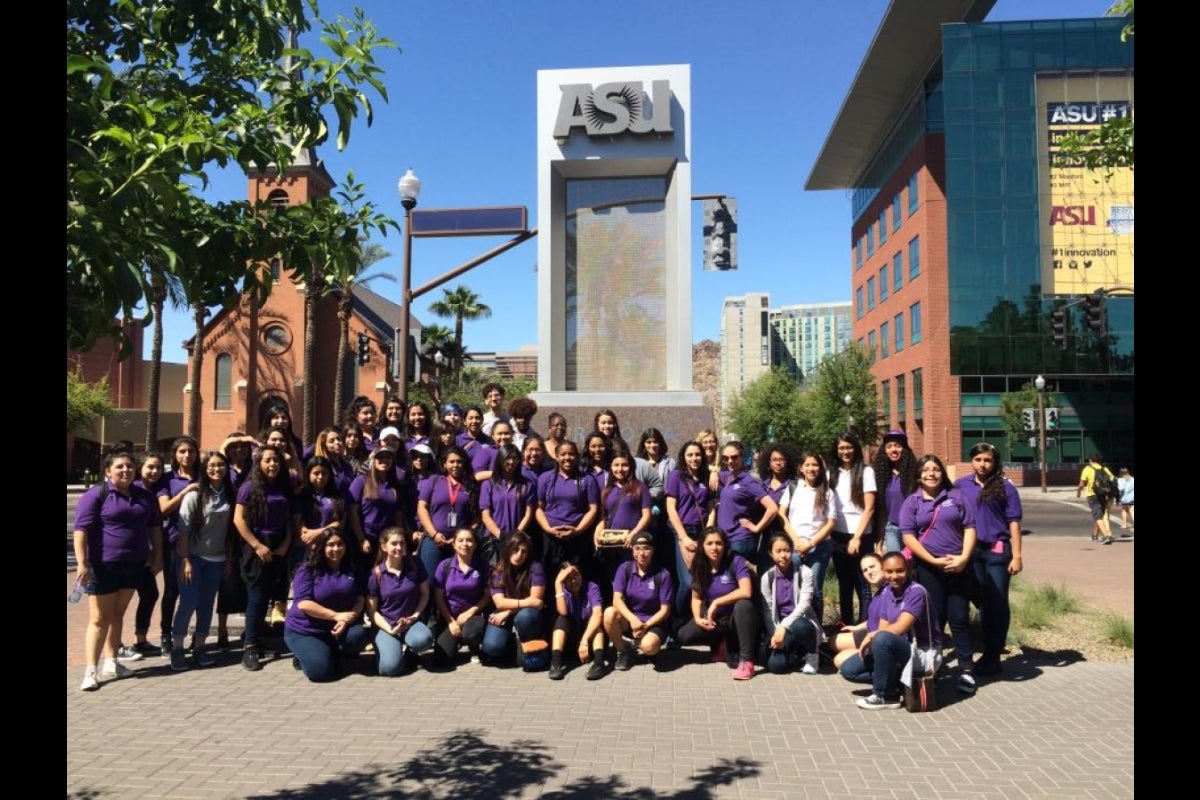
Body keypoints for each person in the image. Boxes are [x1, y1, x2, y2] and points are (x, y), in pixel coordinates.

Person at [74, 451, 164, 690]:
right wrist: (82, 563)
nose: (126, 470)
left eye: (130, 467)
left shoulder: (144, 495)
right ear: (107, 471)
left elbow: (155, 526)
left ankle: (111, 662)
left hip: (133, 564)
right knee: (98, 619)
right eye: (120, 467)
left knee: (117, 615)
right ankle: (90, 670)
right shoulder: (96, 495)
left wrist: (157, 554)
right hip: (103, 565)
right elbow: (81, 531)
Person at [901, 454, 978, 695]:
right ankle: (933, 668)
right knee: (933, 621)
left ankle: (966, 670)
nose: (931, 474)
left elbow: (970, 528)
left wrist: (964, 558)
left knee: (959, 618)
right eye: (926, 470)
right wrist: (932, 560)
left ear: (942, 473)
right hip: (928, 568)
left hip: (958, 566)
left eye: (935, 469)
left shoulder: (956, 497)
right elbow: (908, 536)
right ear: (918, 475)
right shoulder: (912, 502)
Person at [954, 443, 1023, 678]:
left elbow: (1014, 521)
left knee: (998, 602)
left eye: (987, 460)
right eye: (978, 459)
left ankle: (993, 656)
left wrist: (1017, 555)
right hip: (971, 552)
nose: (982, 464)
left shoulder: (1005, 487)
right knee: (982, 601)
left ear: (995, 463)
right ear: (971, 461)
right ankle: (988, 649)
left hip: (997, 552)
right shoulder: (961, 486)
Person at [841, 551, 940, 710]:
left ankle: (885, 695)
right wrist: (874, 639)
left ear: (907, 569)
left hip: (922, 653)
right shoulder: (888, 592)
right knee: (849, 670)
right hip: (899, 648)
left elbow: (901, 627)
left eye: (899, 570)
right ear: (884, 571)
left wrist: (872, 636)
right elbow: (883, 628)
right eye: (889, 572)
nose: (894, 576)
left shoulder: (916, 592)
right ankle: (897, 682)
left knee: (881, 639)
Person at [169, 449, 235, 671]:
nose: (217, 469)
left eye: (221, 465)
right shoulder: (194, 495)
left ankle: (199, 646)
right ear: (205, 470)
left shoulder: (230, 494)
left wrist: (227, 559)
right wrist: (186, 559)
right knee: (188, 602)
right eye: (212, 466)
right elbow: (183, 531)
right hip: (193, 558)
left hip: (217, 559)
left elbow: (229, 531)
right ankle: (177, 647)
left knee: (207, 605)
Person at [233, 444, 295, 671]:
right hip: (256, 546)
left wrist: (286, 544)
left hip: (279, 545)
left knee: (272, 595)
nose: (272, 464)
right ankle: (249, 647)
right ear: (259, 463)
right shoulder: (249, 487)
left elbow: (289, 520)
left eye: (276, 460)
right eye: (268, 460)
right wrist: (257, 545)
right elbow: (238, 520)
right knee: (257, 597)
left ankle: (258, 640)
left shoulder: (283, 487)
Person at [282, 529, 368, 682]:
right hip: (305, 629)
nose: (336, 549)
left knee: (358, 636)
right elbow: (304, 604)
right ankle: (303, 655)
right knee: (320, 673)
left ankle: (332, 652)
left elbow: (360, 599)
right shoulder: (307, 569)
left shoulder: (353, 568)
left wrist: (345, 620)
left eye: (340, 544)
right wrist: (335, 615)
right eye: (331, 545)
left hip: (336, 627)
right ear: (322, 547)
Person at [676, 526, 759, 680]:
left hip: (737, 619)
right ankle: (720, 643)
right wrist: (698, 618)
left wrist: (716, 602)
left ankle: (746, 661)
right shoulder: (700, 565)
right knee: (684, 636)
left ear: (725, 545)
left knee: (744, 604)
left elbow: (746, 591)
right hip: (717, 620)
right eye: (709, 543)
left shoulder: (736, 560)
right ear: (702, 546)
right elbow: (696, 598)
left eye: (718, 543)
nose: (714, 547)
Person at [116, 452, 167, 660]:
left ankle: (140, 640)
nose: (154, 471)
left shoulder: (151, 492)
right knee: (119, 602)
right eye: (150, 467)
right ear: (140, 468)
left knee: (149, 594)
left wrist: (156, 553)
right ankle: (116, 645)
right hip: (128, 555)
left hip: (145, 555)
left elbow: (154, 526)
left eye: (158, 468)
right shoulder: (133, 490)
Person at [367, 527, 435, 676]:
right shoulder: (376, 574)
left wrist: (415, 616)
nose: (399, 547)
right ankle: (387, 651)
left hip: (411, 621)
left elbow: (425, 593)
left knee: (424, 640)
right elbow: (372, 611)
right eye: (394, 543)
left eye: (402, 543)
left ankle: (410, 652)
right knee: (390, 669)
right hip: (386, 625)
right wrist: (391, 629)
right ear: (384, 546)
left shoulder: (415, 564)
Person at [778, 451, 837, 621]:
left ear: (820, 468)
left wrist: (810, 544)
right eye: (807, 465)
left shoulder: (827, 492)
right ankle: (793, 625)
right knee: (793, 587)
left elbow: (830, 523)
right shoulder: (793, 487)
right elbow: (782, 515)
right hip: (795, 547)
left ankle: (817, 630)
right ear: (801, 468)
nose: (811, 468)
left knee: (815, 590)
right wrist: (797, 541)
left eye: (815, 465)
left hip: (818, 547)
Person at [603, 531, 673, 671]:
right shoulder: (624, 569)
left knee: (649, 647)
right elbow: (617, 600)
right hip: (631, 620)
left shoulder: (663, 575)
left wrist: (645, 626)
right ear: (632, 550)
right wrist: (633, 620)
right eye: (637, 548)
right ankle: (623, 651)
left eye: (646, 548)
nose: (642, 553)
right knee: (609, 613)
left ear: (653, 551)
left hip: (653, 622)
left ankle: (646, 646)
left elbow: (665, 611)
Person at [157, 436, 201, 656]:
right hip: (174, 541)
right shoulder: (167, 480)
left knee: (197, 593)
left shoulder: (204, 475)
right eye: (182, 451)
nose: (187, 455)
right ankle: (166, 634)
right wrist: (186, 491)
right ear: (175, 454)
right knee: (172, 590)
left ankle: (195, 636)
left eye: (191, 451)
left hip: (202, 544)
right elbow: (163, 509)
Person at [828, 433, 877, 625]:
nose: (845, 452)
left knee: (862, 584)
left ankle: (866, 624)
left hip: (861, 535)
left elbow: (870, 508)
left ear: (855, 448)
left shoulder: (866, 472)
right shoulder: (831, 473)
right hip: (837, 534)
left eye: (849, 447)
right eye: (841, 448)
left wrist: (856, 538)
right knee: (844, 583)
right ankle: (845, 624)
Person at [535, 440, 600, 580]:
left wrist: (577, 531)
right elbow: (539, 509)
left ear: (577, 457)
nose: (567, 458)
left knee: (577, 575)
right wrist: (548, 529)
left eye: (571, 454)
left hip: (578, 537)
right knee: (551, 574)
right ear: (556, 456)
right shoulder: (545, 478)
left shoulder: (588, 479)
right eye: (563, 454)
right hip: (551, 537)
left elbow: (593, 510)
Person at [760, 535, 823, 675]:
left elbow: (805, 604)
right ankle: (796, 655)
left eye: (787, 550)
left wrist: (784, 626)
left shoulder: (805, 572)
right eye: (778, 551)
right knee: (776, 666)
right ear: (771, 553)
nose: (783, 555)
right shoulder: (767, 577)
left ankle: (812, 655)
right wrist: (776, 632)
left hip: (802, 621)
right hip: (781, 627)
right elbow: (768, 609)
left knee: (800, 625)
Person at [481, 531, 546, 665]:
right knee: (492, 647)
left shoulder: (535, 567)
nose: (519, 555)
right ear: (508, 549)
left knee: (525, 617)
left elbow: (535, 602)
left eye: (523, 552)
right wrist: (524, 602)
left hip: (525, 614)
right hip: (504, 612)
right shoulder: (498, 570)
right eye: (515, 550)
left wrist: (509, 611)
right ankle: (510, 642)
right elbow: (499, 603)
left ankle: (525, 642)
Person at [711, 440, 778, 567]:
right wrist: (714, 471)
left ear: (743, 458)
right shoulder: (729, 477)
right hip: (727, 539)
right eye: (726, 458)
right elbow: (712, 473)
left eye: (734, 457)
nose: (730, 461)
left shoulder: (748, 481)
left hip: (741, 540)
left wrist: (757, 527)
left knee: (741, 581)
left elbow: (772, 508)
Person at [431, 528, 491, 668]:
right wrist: (451, 622)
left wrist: (469, 613)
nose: (465, 544)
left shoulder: (482, 565)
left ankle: (474, 647)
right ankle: (456, 641)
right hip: (450, 617)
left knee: (471, 633)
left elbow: (488, 595)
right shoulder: (444, 566)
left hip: (474, 616)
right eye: (461, 540)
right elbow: (439, 597)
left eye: (470, 540)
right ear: (453, 544)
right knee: (441, 660)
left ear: (475, 545)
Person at [417, 446, 480, 577]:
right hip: (433, 540)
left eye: (459, 461)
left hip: (459, 543)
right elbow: (422, 507)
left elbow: (477, 517)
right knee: (429, 580)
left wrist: (462, 537)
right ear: (444, 464)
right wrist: (434, 534)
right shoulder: (434, 481)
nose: (455, 465)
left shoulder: (471, 485)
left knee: (456, 580)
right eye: (451, 462)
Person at [666, 441, 711, 615]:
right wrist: (683, 537)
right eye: (690, 455)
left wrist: (708, 532)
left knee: (701, 579)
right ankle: (675, 622)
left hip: (702, 533)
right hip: (683, 532)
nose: (694, 458)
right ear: (683, 457)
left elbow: (711, 506)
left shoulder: (707, 477)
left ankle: (694, 618)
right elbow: (671, 507)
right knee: (687, 581)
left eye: (697, 454)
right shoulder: (676, 476)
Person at [597, 449, 653, 589]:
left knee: (631, 580)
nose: (620, 469)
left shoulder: (640, 487)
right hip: (611, 546)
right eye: (616, 465)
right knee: (614, 582)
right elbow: (604, 519)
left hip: (631, 545)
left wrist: (633, 535)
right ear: (611, 467)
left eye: (624, 465)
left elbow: (647, 515)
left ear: (631, 467)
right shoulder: (607, 491)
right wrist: (597, 536)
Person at [548, 562, 606, 680]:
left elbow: (597, 614)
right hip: (569, 639)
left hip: (587, 640)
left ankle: (599, 664)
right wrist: (558, 583)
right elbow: (563, 612)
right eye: (568, 578)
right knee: (561, 620)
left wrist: (584, 640)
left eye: (576, 576)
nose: (574, 581)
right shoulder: (562, 589)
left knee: (595, 624)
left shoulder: (591, 587)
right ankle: (555, 664)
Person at [348, 447, 406, 564]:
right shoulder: (361, 481)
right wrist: (361, 539)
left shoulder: (396, 485)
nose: (384, 460)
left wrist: (399, 537)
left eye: (388, 457)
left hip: (388, 539)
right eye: (380, 457)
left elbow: (398, 514)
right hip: (367, 536)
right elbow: (352, 512)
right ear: (373, 460)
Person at [831, 552, 887, 672]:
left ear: (883, 565)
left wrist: (867, 644)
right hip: (870, 632)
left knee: (840, 660)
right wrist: (857, 627)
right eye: (865, 570)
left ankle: (884, 671)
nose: (869, 572)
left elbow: (886, 627)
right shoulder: (878, 592)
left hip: (879, 640)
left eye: (872, 567)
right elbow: (874, 620)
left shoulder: (889, 591)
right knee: (833, 641)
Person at [872, 429, 919, 555]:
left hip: (915, 529)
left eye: (898, 446)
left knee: (913, 568)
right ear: (885, 451)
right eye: (889, 446)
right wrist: (879, 544)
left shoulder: (916, 474)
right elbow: (881, 512)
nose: (893, 449)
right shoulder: (880, 477)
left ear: (905, 449)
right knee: (895, 565)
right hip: (892, 528)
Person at [480, 443, 535, 541]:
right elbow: (485, 516)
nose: (511, 462)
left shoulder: (526, 485)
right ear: (500, 460)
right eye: (507, 458)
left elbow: (528, 514)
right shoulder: (488, 484)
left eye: (515, 458)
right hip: (494, 538)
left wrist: (516, 534)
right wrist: (500, 535)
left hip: (517, 539)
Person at [1077, 454, 1116, 544]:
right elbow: (1113, 479)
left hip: (1092, 494)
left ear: (1090, 460)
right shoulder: (1104, 468)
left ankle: (1106, 536)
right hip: (1103, 494)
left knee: (1097, 515)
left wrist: (1078, 491)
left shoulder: (1087, 469)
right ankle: (1095, 536)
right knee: (1100, 515)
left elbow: (1082, 484)